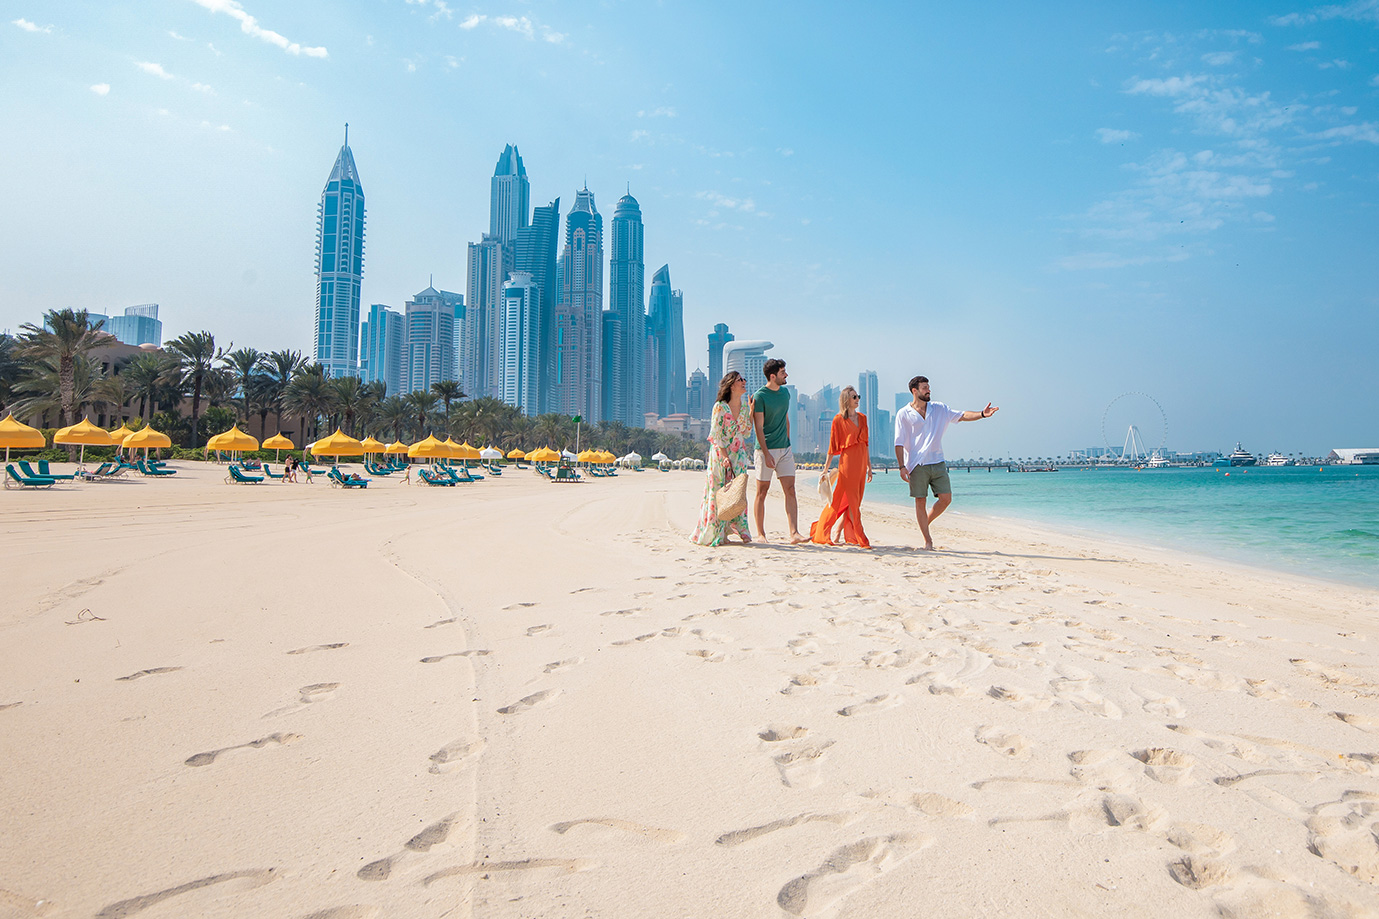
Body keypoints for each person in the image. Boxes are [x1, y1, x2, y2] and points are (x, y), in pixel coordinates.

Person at [893, 375, 999, 550]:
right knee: (920, 501)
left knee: (946, 499)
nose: (929, 390)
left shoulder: (939, 408)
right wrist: (901, 466)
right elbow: (898, 442)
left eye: (929, 387)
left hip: (938, 461)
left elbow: (962, 415)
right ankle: (928, 540)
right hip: (916, 464)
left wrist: (982, 414)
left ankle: (924, 522)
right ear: (915, 391)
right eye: (925, 387)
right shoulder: (903, 414)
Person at [691, 371, 755, 546]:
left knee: (738, 494)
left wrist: (750, 412)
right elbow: (716, 435)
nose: (744, 382)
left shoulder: (743, 407)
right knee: (718, 492)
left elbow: (746, 432)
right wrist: (725, 457)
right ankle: (718, 532)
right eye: (740, 380)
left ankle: (742, 530)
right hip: (720, 455)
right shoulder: (720, 406)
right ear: (731, 384)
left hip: (739, 455)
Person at [751, 358, 807, 544]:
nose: (787, 375)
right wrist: (766, 454)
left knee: (790, 490)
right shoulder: (760, 396)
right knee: (762, 492)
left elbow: (785, 418)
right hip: (765, 450)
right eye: (783, 373)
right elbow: (758, 427)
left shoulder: (785, 394)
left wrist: (788, 442)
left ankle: (794, 533)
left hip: (785, 449)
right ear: (773, 376)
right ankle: (761, 534)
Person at [809, 385, 872, 548]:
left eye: (858, 396)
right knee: (843, 501)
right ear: (846, 400)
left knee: (853, 502)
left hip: (861, 464)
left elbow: (865, 445)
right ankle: (860, 538)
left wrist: (869, 468)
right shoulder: (838, 420)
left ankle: (835, 531)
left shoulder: (863, 418)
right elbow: (832, 448)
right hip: (847, 464)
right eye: (854, 397)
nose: (857, 399)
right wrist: (825, 469)